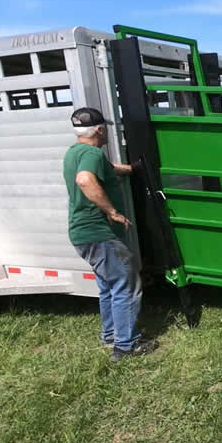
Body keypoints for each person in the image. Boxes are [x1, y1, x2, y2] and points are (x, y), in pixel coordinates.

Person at [63, 107, 155, 361]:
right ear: (100, 130)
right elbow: (85, 179)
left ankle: (111, 335)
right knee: (126, 286)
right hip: (100, 233)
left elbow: (109, 168)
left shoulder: (75, 152)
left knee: (108, 286)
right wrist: (112, 211)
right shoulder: (92, 153)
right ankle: (125, 346)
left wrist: (132, 169)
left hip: (83, 234)